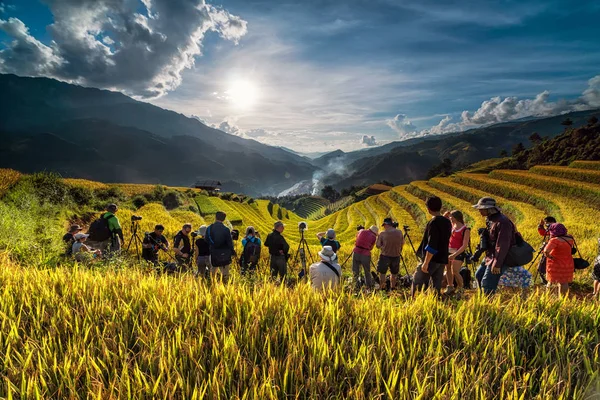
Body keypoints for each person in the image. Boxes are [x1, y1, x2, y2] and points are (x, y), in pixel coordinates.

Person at [472, 197, 516, 295]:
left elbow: (502, 245)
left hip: (501, 257)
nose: (479, 210)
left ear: (489, 209)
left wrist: (497, 264)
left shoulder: (503, 222)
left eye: (481, 208)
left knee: (487, 283)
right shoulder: (491, 220)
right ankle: (482, 298)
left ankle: (488, 304)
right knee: (479, 275)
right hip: (491, 255)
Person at [412, 196, 452, 297]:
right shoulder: (447, 222)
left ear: (428, 209)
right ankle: (434, 305)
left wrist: (425, 263)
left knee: (417, 283)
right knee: (436, 286)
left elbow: (432, 244)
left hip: (431, 259)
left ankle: (413, 304)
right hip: (442, 258)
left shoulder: (433, 223)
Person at [543, 223, 574, 296]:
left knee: (550, 281)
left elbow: (546, 251)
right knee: (564, 282)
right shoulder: (570, 238)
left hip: (556, 264)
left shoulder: (555, 240)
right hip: (568, 263)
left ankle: (547, 298)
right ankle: (562, 300)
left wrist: (550, 257)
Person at [445, 210, 470, 294]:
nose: (450, 218)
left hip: (458, 252)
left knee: (455, 271)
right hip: (449, 250)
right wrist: (446, 214)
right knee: (448, 269)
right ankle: (450, 286)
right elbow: (443, 220)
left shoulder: (465, 229)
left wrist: (454, 254)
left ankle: (461, 288)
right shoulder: (452, 226)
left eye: (451, 217)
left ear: (456, 218)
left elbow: (464, 245)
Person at [376, 217, 405, 290]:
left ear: (386, 224)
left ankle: (382, 288)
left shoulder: (382, 233)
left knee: (382, 273)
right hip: (396, 256)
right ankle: (393, 288)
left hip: (385, 256)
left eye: (384, 225)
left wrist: (383, 244)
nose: (384, 227)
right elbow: (402, 243)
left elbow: (377, 245)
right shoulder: (400, 232)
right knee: (394, 273)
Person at [205, 212, 235, 282]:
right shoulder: (226, 229)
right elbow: (229, 243)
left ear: (215, 217)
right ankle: (225, 287)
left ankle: (212, 286)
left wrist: (213, 245)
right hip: (224, 254)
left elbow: (206, 240)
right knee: (225, 273)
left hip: (213, 253)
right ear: (224, 219)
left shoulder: (209, 228)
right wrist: (232, 252)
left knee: (213, 272)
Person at [352, 225, 379, 290]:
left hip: (356, 252)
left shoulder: (361, 231)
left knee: (355, 270)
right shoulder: (374, 237)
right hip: (365, 254)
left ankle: (355, 285)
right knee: (367, 271)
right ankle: (368, 286)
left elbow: (356, 239)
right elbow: (371, 248)